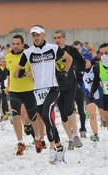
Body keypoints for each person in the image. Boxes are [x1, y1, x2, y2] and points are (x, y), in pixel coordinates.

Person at [14, 25, 72, 164]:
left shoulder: (53, 48)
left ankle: (52, 151)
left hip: (53, 88)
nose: (36, 37)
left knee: (46, 116)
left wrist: (65, 72)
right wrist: (21, 73)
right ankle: (59, 147)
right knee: (47, 120)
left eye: (38, 35)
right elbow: (15, 74)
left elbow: (69, 59)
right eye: (33, 35)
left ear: (44, 35)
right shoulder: (28, 53)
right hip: (38, 91)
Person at [5, 34, 41, 156]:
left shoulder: (29, 55)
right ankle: (20, 143)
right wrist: (8, 86)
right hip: (14, 91)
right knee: (15, 116)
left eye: (17, 44)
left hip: (28, 90)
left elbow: (37, 72)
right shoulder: (7, 56)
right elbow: (10, 73)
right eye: (13, 44)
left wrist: (25, 74)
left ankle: (38, 139)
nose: (15, 46)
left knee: (33, 116)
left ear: (22, 44)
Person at [53, 30, 85, 150]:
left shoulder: (71, 50)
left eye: (59, 37)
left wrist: (80, 73)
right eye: (55, 37)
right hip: (57, 86)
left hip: (71, 84)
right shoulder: (52, 52)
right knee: (63, 114)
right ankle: (70, 138)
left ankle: (76, 135)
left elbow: (82, 62)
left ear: (65, 38)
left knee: (68, 108)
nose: (57, 40)